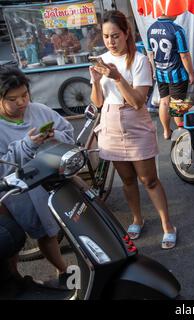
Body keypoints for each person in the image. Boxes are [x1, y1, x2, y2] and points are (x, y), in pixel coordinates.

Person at [90, 10, 177, 248]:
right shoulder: (101, 60)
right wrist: (97, 83)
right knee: (127, 180)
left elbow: (138, 101)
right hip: (110, 122)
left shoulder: (139, 61)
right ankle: (137, 218)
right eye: (106, 37)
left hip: (135, 123)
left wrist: (118, 78)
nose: (111, 42)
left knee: (148, 179)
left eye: (115, 36)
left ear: (126, 34)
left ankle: (167, 224)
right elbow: (98, 102)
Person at [0, 66, 74, 288]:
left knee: (47, 231)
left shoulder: (39, 110)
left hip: (45, 183)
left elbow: (67, 132)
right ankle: (14, 280)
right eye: (13, 99)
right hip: (11, 193)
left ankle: (62, 271)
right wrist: (27, 145)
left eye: (25, 95)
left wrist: (54, 136)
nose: (22, 103)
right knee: (11, 240)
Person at [147, 15, 194, 140]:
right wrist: (190, 73)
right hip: (176, 74)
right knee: (177, 103)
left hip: (160, 73)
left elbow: (150, 54)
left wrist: (154, 70)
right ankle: (181, 132)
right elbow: (184, 55)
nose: (178, 13)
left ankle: (166, 131)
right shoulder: (176, 30)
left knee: (164, 101)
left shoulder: (150, 29)